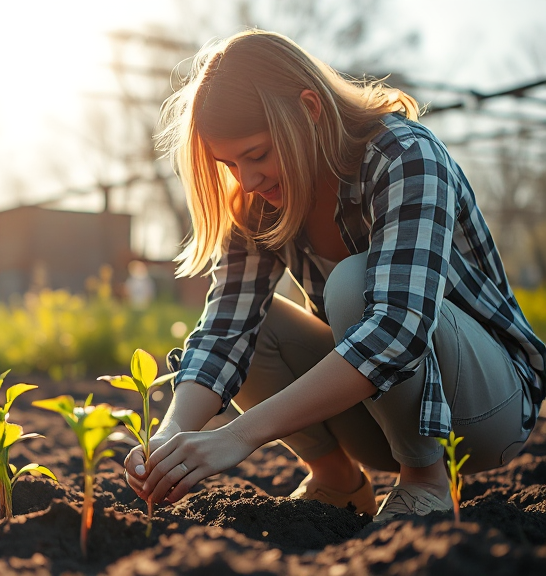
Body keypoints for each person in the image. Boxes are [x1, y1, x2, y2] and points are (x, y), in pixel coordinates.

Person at [124, 30, 545, 523]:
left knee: (354, 283)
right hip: (379, 421)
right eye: (230, 164)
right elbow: (224, 330)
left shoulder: (406, 158)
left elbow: (397, 330)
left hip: (485, 414)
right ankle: (336, 479)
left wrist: (237, 436)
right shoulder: (257, 204)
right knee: (254, 327)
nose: (248, 180)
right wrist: (170, 436)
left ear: (309, 109)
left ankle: (426, 483)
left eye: (257, 155)